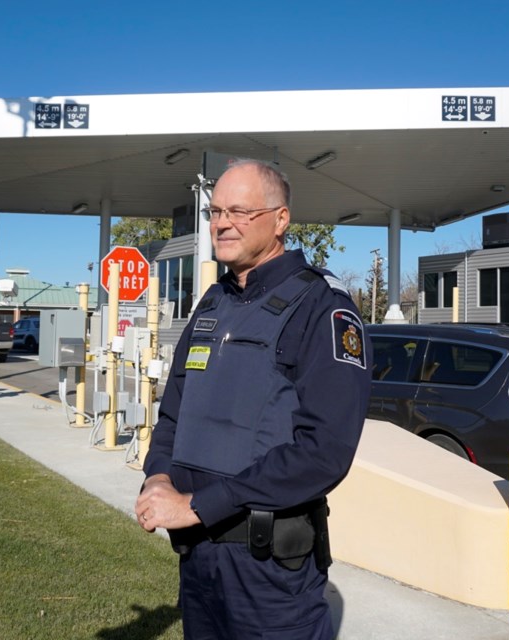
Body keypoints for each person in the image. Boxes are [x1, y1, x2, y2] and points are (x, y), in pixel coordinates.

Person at [135, 158, 370, 639]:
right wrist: (158, 477)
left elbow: (324, 451)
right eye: (216, 211)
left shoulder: (322, 308)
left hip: (271, 573)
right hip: (198, 558)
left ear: (280, 219)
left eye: (240, 212)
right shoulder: (213, 304)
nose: (222, 223)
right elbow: (174, 412)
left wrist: (201, 505)